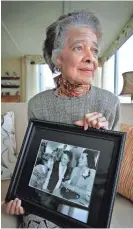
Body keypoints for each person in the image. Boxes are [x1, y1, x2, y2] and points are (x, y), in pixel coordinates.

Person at [3, 10, 120, 228]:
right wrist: (20, 195)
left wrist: (101, 136)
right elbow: (33, 158)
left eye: (94, 50)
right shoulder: (37, 104)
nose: (90, 57)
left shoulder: (109, 102)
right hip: (43, 201)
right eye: (79, 47)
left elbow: (106, 175)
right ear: (58, 58)